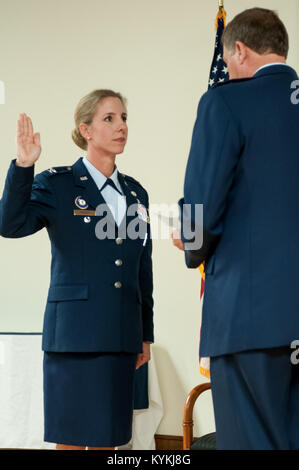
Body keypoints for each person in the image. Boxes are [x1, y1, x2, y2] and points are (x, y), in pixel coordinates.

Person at [0, 89, 154, 450]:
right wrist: (24, 167)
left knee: (109, 438)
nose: (121, 127)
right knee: (70, 440)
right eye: (109, 118)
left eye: (124, 119)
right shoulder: (58, 184)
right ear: (86, 130)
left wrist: (144, 333)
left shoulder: (136, 194)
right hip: (74, 337)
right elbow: (9, 225)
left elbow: (141, 268)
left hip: (120, 335)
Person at [176, 8, 299, 449]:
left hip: (251, 317)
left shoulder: (225, 101)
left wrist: (189, 245)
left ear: (240, 49)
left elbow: (200, 209)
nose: (227, 70)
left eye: (228, 62)